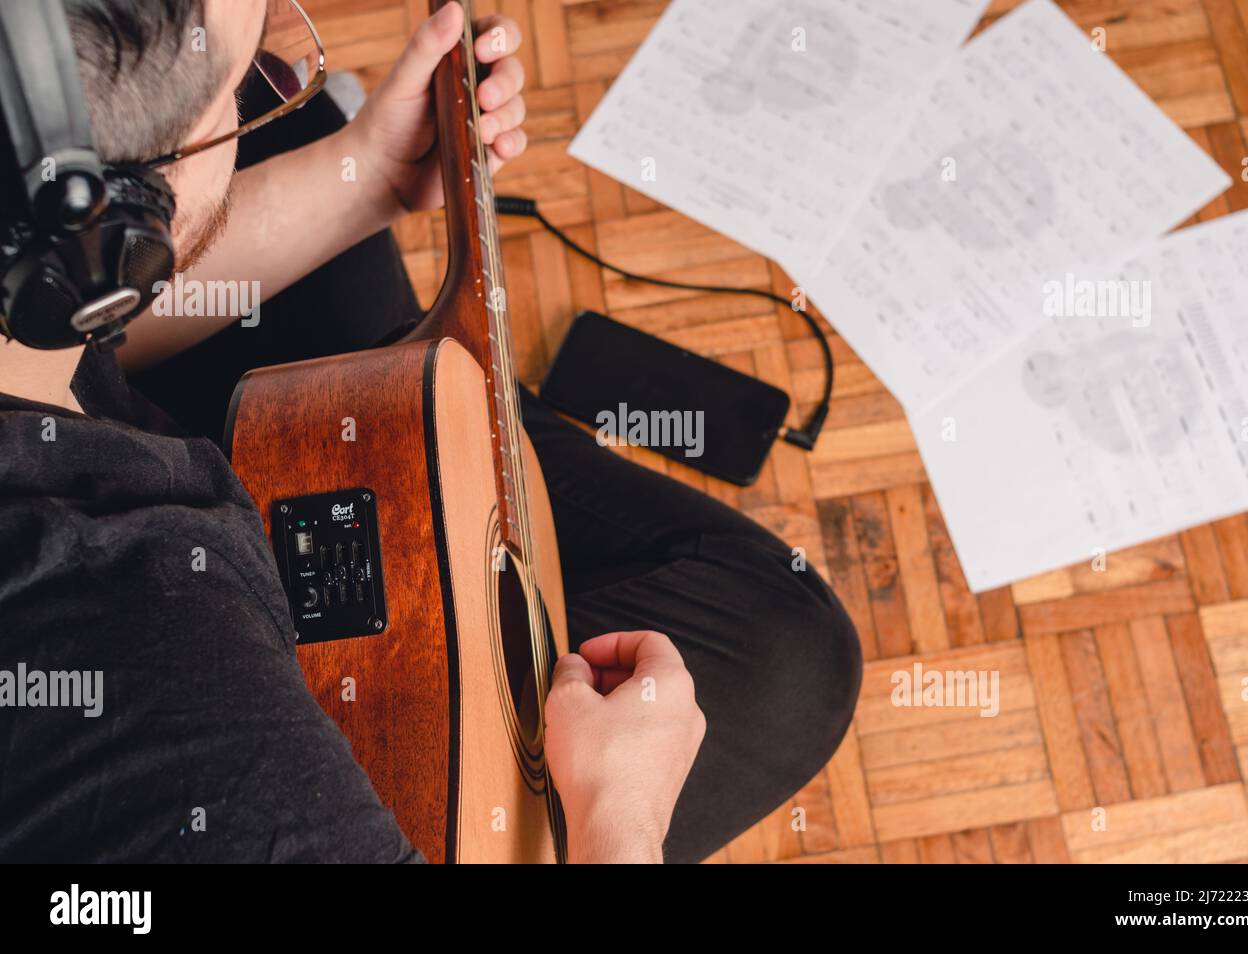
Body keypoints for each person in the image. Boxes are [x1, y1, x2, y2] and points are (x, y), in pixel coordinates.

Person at [0, 0, 862, 864]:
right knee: (789, 653)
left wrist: (364, 174)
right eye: (238, 94)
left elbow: (72, 321)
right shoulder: (184, 717)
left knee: (317, 146)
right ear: (104, 229)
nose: (253, 98)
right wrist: (619, 814)